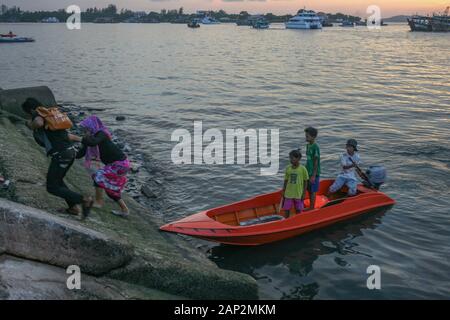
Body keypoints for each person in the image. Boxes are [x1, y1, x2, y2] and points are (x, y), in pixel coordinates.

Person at [21, 98, 93, 218]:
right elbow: (67, 135)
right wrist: (82, 139)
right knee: (58, 180)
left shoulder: (38, 115)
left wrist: (30, 125)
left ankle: (84, 200)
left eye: (28, 113)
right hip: (69, 152)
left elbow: (38, 123)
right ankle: (73, 208)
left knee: (52, 187)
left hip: (61, 154)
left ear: (31, 110)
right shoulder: (51, 116)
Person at [70, 116, 131, 218]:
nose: (85, 131)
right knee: (109, 187)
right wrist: (68, 151)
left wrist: (76, 138)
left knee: (99, 176)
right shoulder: (90, 139)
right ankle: (125, 210)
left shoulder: (101, 133)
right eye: (84, 129)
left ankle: (99, 202)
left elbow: (93, 142)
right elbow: (80, 154)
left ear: (92, 126)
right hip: (115, 165)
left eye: (87, 128)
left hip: (120, 163)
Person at [281, 149, 309, 218]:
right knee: (287, 209)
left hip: (298, 193)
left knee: (298, 209)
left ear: (298, 158)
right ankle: (286, 220)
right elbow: (286, 180)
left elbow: (305, 181)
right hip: (288, 193)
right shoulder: (288, 168)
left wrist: (304, 193)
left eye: (292, 158)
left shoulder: (303, 169)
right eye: (290, 158)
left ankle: (299, 219)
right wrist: (283, 190)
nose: (290, 160)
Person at [304, 127, 320, 210]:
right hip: (308, 171)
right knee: (309, 189)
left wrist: (313, 175)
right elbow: (308, 159)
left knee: (313, 190)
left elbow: (316, 162)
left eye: (307, 136)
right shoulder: (308, 146)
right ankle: (310, 206)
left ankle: (312, 207)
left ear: (313, 137)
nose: (306, 138)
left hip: (314, 172)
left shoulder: (315, 147)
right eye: (305, 136)